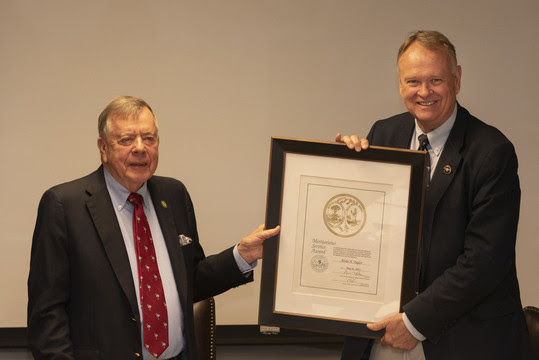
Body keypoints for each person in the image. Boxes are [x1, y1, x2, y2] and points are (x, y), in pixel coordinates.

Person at [27, 95, 280, 360]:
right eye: (126, 140)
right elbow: (47, 316)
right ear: (103, 147)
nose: (140, 148)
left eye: (149, 138)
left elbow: (190, 281)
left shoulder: (174, 194)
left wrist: (243, 255)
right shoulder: (64, 206)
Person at [336, 31, 531, 360]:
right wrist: (344, 175)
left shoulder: (492, 151)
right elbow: (365, 231)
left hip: (463, 338)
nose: (424, 92)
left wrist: (413, 322)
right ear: (400, 85)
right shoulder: (383, 134)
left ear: (457, 79)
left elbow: (483, 261)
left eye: (436, 80)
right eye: (413, 81)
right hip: (383, 333)